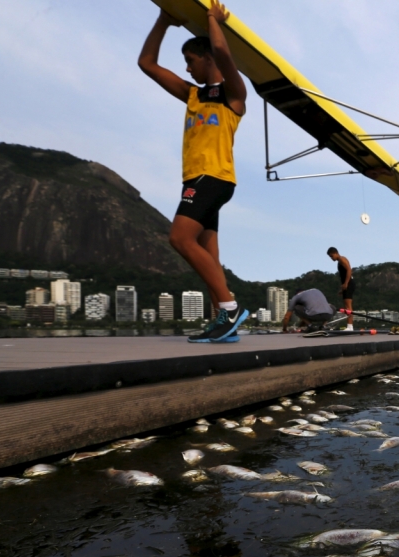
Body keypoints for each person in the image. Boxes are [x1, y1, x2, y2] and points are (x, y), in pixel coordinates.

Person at [138, 1, 249, 343]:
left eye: (190, 61)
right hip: (198, 181)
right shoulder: (192, 96)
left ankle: (230, 309)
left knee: (179, 238)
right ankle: (224, 324)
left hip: (212, 178)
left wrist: (214, 21)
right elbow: (147, 64)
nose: (187, 69)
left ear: (207, 59)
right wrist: (163, 20)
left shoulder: (234, 96)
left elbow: (220, 49)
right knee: (209, 256)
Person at [327, 247, 355, 331]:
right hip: (347, 284)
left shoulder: (342, 259)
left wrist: (346, 283)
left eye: (332, 256)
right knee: (346, 305)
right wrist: (342, 289)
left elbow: (349, 270)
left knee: (348, 306)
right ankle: (350, 326)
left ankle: (350, 326)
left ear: (336, 253)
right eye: (330, 257)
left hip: (349, 283)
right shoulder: (339, 261)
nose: (331, 258)